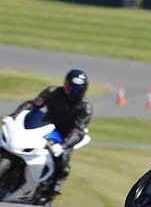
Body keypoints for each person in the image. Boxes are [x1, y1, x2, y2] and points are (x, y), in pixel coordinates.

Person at [10, 69, 92, 197]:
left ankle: (53, 188)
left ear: (84, 90)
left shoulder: (85, 107)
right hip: (44, 126)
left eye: (77, 90)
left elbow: (78, 131)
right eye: (69, 87)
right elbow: (34, 104)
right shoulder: (53, 91)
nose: (72, 92)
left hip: (62, 136)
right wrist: (15, 115)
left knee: (63, 160)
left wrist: (64, 146)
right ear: (65, 84)